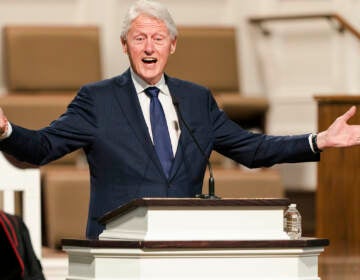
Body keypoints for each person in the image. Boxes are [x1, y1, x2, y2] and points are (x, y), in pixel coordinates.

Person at [0, 0, 360, 239]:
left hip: (184, 245)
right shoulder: (97, 100)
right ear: (124, 45)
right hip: (118, 249)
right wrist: (6, 130)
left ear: (173, 45)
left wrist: (318, 141)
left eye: (158, 38)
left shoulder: (196, 99)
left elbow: (252, 149)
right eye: (139, 38)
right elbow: (42, 148)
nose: (149, 48)